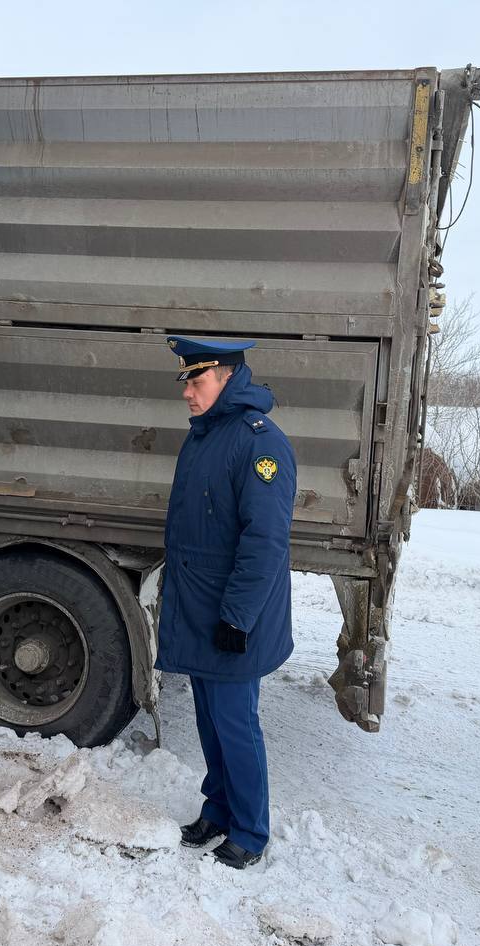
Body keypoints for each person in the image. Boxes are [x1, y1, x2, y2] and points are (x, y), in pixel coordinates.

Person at [157, 335, 297, 869]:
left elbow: (264, 543)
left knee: (236, 724)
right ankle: (217, 809)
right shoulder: (204, 436)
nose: (188, 394)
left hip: (235, 616)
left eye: (197, 381)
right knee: (210, 720)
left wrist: (236, 617)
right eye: (187, 382)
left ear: (227, 378)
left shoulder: (260, 443)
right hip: (199, 610)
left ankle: (251, 831)